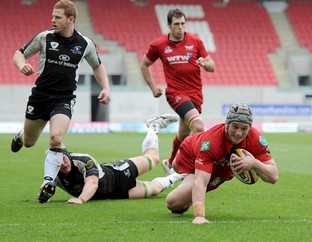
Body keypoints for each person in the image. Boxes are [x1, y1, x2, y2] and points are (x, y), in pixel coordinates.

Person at [10, 0, 111, 203]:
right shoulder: (44, 37)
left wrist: (106, 88)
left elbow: (97, 66)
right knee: (30, 142)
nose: (52, 20)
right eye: (52, 16)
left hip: (64, 99)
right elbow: (19, 53)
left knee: (56, 139)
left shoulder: (85, 44)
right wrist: (22, 65)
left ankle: (48, 181)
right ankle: (22, 135)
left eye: (57, 17)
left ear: (70, 19)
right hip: (40, 97)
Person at [165, 103, 279, 224]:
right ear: (227, 124)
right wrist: (199, 215)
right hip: (190, 153)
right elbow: (201, 182)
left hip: (220, 168)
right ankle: (181, 176)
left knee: (174, 204)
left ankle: (189, 181)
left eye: (244, 128)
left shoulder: (256, 139)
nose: (239, 133)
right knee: (177, 169)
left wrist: (255, 163)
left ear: (250, 128)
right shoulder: (211, 142)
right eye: (235, 127)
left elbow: (273, 177)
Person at [140, 8, 215, 170]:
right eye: (176, 24)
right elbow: (144, 64)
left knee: (183, 134)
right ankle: (186, 165)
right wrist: (153, 87)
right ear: (169, 25)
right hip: (176, 93)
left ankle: (170, 162)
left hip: (196, 94)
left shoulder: (196, 41)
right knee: (199, 127)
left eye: (182, 24)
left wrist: (204, 63)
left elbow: (212, 66)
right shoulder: (159, 45)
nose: (180, 27)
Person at [54, 114, 183, 203]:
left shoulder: (82, 160)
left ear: (67, 155)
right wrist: (44, 195)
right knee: (155, 190)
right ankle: (182, 174)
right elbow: (47, 186)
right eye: (58, 163)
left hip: (118, 174)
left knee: (152, 158)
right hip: (115, 193)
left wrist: (80, 199)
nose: (63, 164)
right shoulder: (54, 173)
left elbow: (92, 184)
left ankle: (154, 126)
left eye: (64, 159)